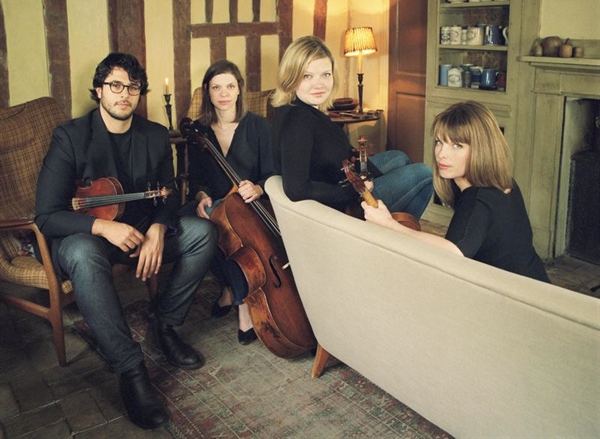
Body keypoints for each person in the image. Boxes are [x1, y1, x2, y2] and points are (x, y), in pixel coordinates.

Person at [35, 53, 218, 429]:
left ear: (139, 93)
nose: (124, 94)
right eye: (115, 85)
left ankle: (164, 325)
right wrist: (103, 228)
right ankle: (131, 370)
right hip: (88, 239)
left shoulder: (153, 136)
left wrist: (158, 229)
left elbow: (168, 195)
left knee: (203, 233)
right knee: (84, 255)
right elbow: (47, 215)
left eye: (132, 87)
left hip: (142, 233)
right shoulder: (70, 137)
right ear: (99, 90)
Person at [363, 101, 550, 283]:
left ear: (481, 150)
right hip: (533, 282)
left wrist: (390, 224)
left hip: (521, 299)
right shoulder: (502, 183)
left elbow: (452, 253)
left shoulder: (478, 199)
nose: (441, 153)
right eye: (439, 142)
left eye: (457, 145)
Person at [271, 35, 433, 218]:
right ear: (291, 77)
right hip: (345, 204)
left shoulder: (301, 110)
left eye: (326, 74)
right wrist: (356, 190)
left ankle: (394, 223)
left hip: (345, 180)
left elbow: (342, 153)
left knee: (399, 158)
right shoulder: (298, 120)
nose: (319, 84)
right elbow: (296, 189)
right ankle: (394, 231)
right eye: (307, 76)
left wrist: (373, 177)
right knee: (424, 173)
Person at [181, 60, 274, 345]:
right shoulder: (199, 131)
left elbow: (273, 173)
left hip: (252, 205)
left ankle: (239, 301)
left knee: (231, 232)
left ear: (239, 90)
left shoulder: (259, 126)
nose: (223, 93)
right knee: (204, 224)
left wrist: (257, 188)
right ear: (207, 92)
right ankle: (234, 292)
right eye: (216, 87)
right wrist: (200, 196)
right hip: (215, 205)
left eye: (230, 86)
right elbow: (194, 179)